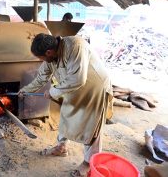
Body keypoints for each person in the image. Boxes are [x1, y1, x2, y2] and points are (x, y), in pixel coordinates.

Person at [18, 33, 113, 177]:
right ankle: (61, 147)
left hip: (95, 87)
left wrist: (53, 92)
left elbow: (78, 79)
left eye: (40, 58)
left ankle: (88, 163)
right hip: (73, 87)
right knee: (66, 115)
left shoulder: (75, 46)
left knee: (92, 125)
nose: (41, 60)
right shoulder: (51, 58)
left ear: (48, 52)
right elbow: (41, 78)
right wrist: (25, 90)